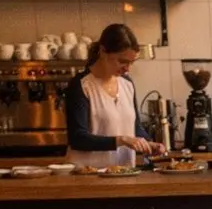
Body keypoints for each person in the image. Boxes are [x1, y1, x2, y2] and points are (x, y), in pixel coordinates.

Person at [65, 22, 163, 168]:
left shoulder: (127, 84)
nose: (127, 69)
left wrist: (148, 143)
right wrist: (121, 140)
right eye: (122, 61)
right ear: (103, 51)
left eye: (131, 62)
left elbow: (134, 127)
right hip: (87, 175)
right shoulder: (81, 85)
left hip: (124, 172)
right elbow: (78, 138)